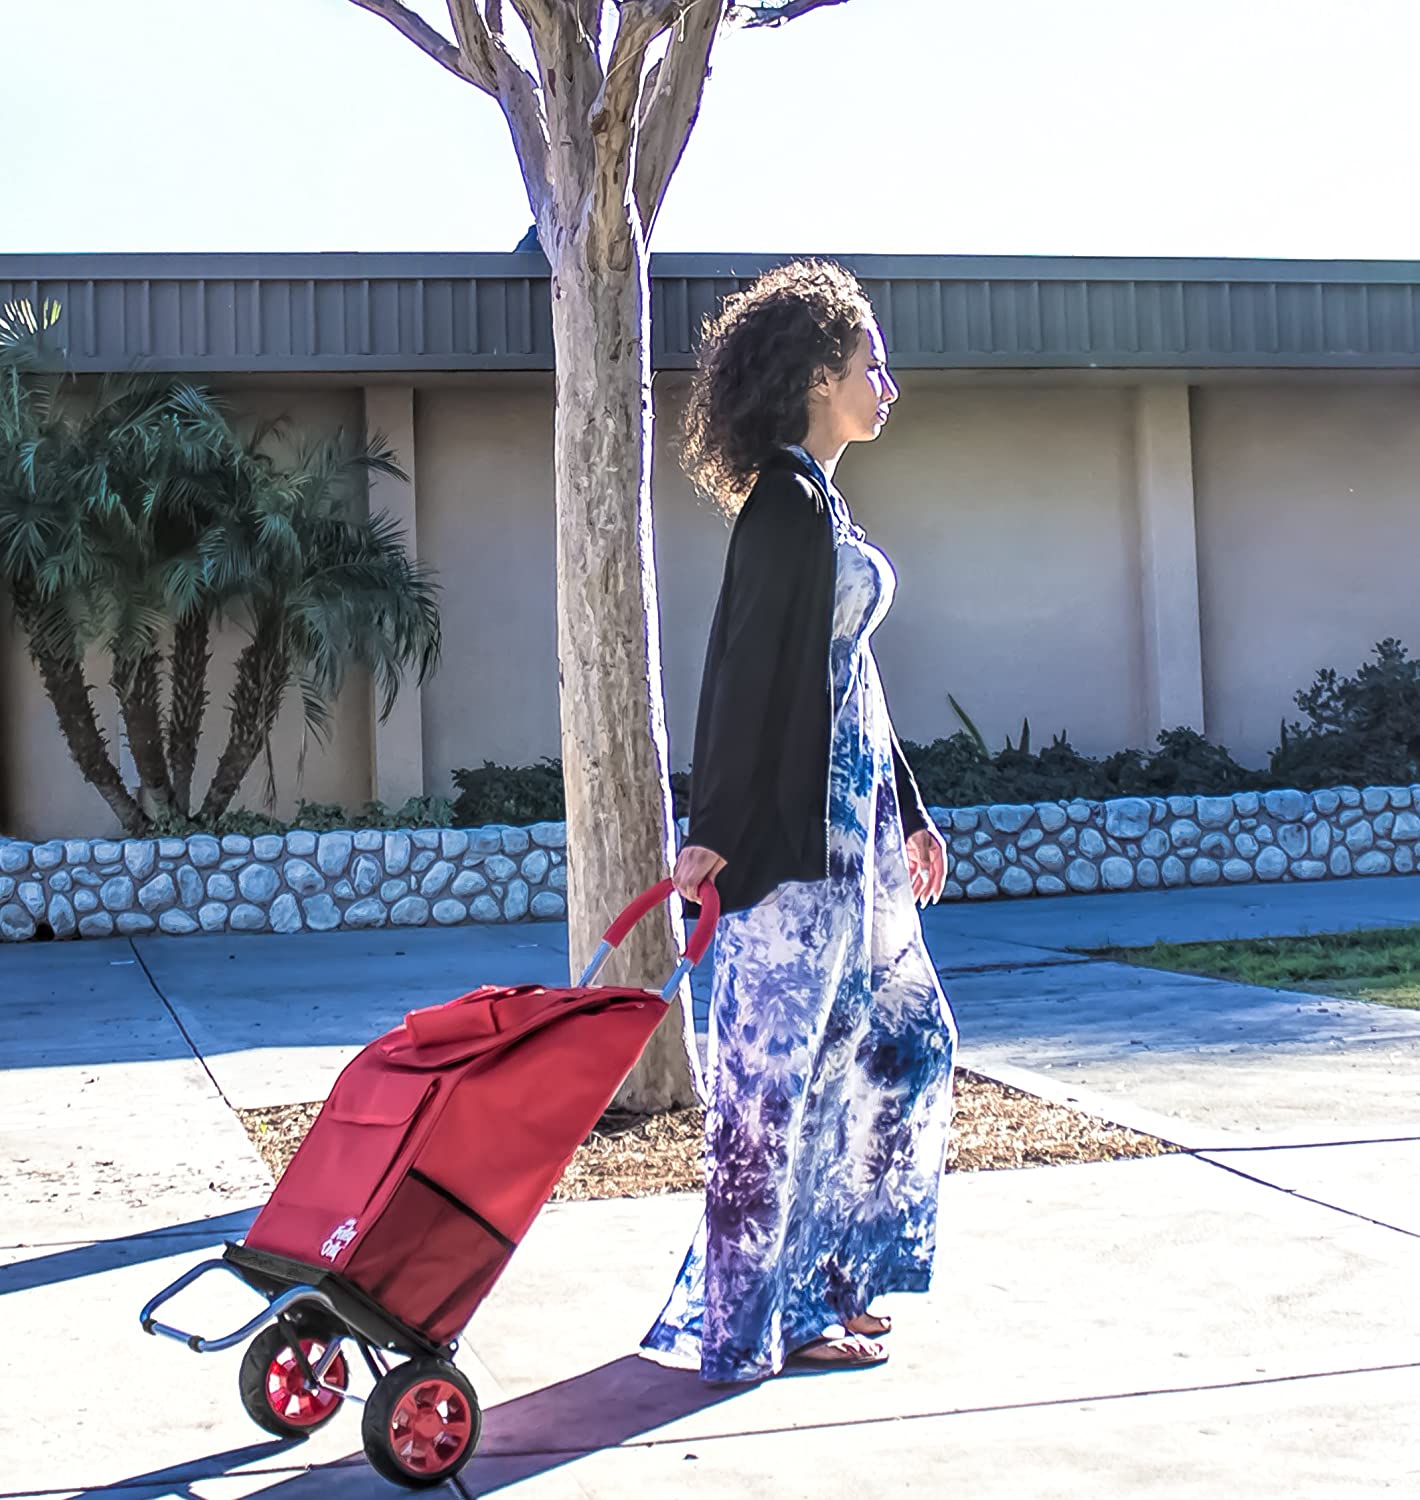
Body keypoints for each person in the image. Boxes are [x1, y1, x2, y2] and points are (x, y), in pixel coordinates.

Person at [640, 260, 958, 1384]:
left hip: (857, 846)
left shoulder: (820, 499)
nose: (887, 381)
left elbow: (849, 677)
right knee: (773, 1092)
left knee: (893, 1049)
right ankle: (746, 1325)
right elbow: (738, 675)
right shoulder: (781, 502)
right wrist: (711, 827)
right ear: (820, 374)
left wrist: (908, 814)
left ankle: (825, 1286)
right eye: (871, 360)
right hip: (790, 847)